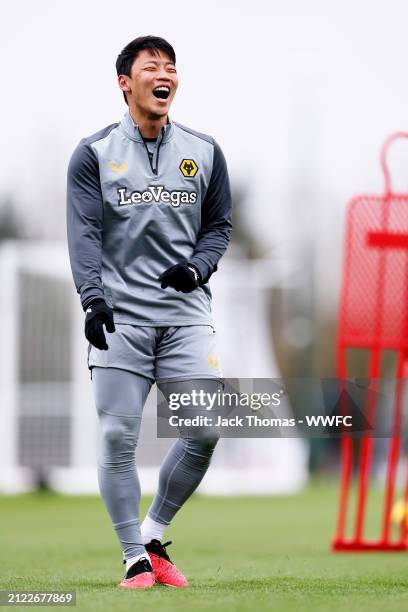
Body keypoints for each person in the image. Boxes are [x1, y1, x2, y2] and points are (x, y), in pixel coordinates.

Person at [66, 35, 232, 589]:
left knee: (205, 428)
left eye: (172, 67)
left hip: (185, 316)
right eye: (151, 67)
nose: (165, 75)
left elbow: (218, 226)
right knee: (117, 438)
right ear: (125, 83)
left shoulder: (204, 151)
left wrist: (198, 267)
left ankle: (154, 534)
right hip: (120, 320)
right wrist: (92, 297)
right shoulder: (93, 154)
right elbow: (85, 233)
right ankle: (133, 556)